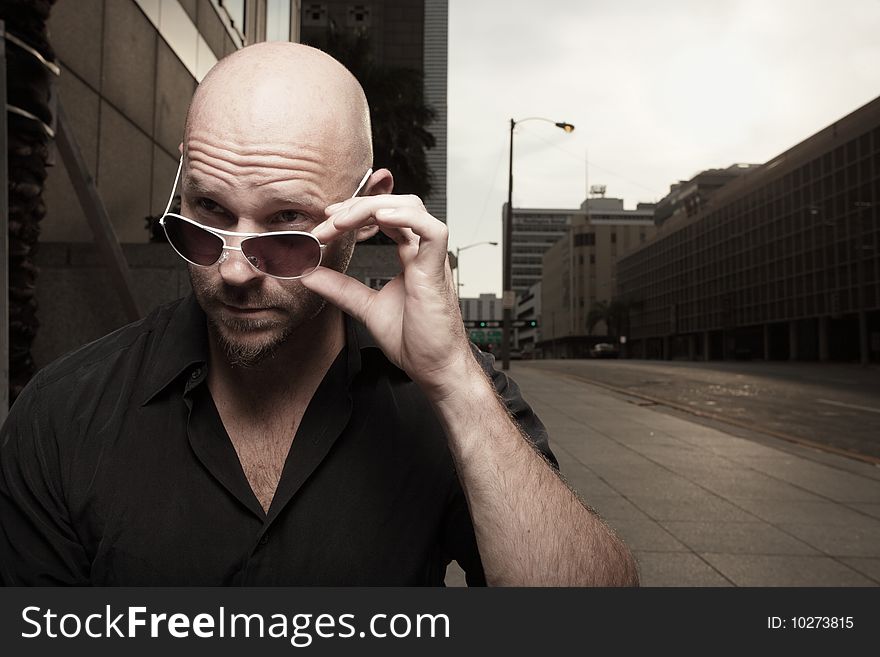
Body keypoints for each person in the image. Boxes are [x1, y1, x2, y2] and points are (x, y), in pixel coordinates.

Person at [0, 43, 637, 586]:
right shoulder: (65, 413)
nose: (234, 270)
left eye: (287, 228)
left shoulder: (447, 399)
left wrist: (453, 381)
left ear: (370, 211)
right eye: (209, 215)